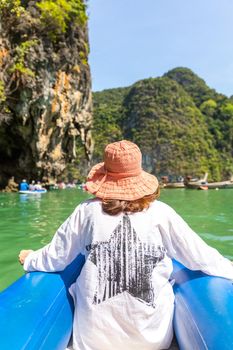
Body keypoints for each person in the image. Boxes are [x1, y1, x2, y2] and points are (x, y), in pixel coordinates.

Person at [19, 140, 233, 350]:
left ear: (105, 175)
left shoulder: (86, 212)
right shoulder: (162, 213)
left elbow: (55, 257)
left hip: (92, 340)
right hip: (153, 339)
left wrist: (29, 259)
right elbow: (200, 256)